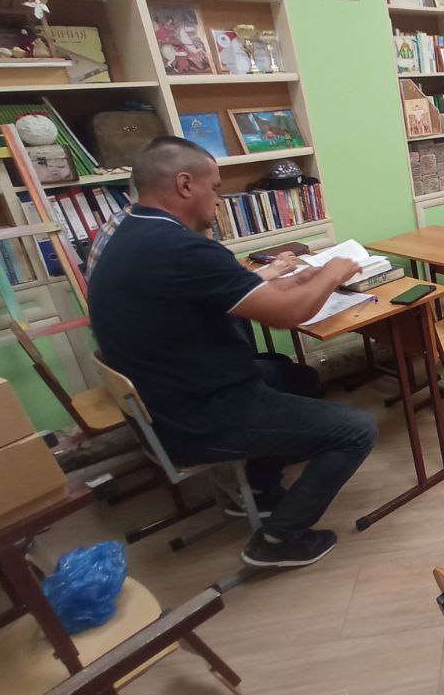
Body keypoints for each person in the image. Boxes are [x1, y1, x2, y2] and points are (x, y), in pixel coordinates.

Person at [88, 136, 378, 569]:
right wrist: (333, 273)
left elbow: (236, 295)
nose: (218, 200)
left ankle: (260, 490)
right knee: (356, 430)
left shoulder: (130, 232)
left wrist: (297, 280)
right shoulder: (183, 249)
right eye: (216, 188)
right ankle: (278, 539)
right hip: (200, 413)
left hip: (163, 399)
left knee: (296, 377)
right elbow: (286, 316)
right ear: (185, 184)